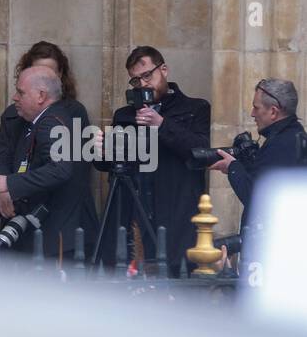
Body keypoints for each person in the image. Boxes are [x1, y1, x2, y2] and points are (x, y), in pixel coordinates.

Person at [108, 46, 209, 275]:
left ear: (163, 70)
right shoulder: (124, 115)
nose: (143, 84)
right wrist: (102, 150)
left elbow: (201, 151)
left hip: (177, 211)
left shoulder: (196, 108)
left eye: (147, 75)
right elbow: (113, 167)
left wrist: (161, 125)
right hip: (137, 209)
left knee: (179, 284)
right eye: (135, 81)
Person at [0, 66, 99, 257]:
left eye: (21, 92)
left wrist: (8, 183)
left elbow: (60, 169)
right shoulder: (46, 119)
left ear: (41, 96)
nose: (15, 98)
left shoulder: (51, 122)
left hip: (56, 240)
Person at [210, 78, 307, 234]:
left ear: (273, 111)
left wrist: (233, 167)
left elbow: (257, 198)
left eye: (256, 107)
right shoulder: (293, 135)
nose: (252, 113)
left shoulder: (282, 143)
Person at [0, 42, 79, 189]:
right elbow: (4, 158)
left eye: (49, 71)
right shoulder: (13, 115)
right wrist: (5, 191)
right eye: (37, 70)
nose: (45, 76)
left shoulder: (62, 116)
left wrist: (11, 185)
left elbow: (63, 170)